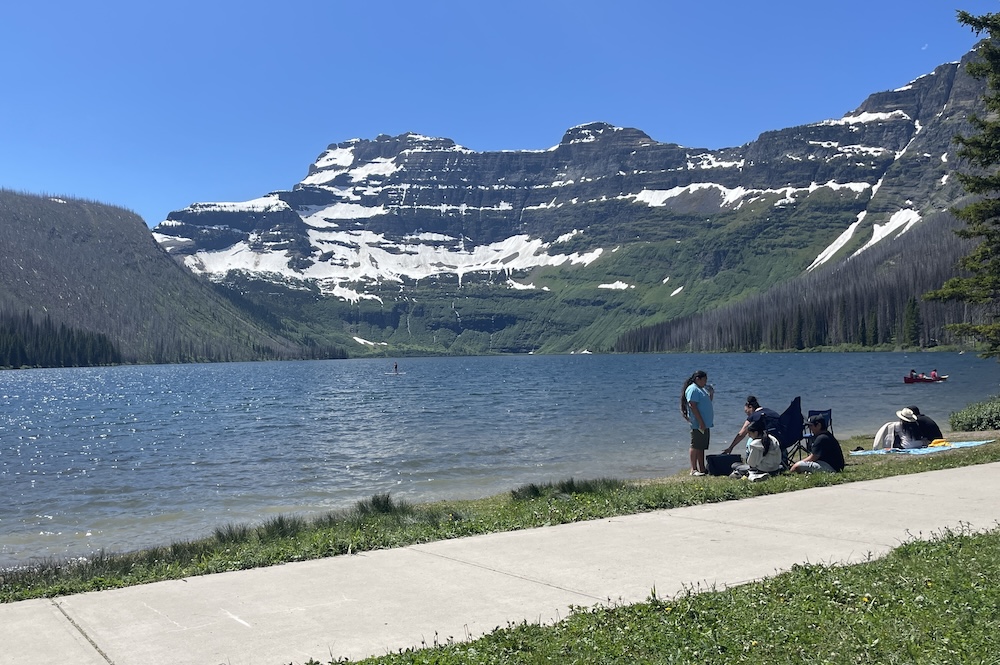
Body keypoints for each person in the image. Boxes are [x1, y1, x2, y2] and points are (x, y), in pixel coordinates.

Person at [680, 370, 714, 476]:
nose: (705, 382)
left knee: (701, 446)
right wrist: (700, 421)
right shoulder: (693, 389)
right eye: (704, 380)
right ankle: (693, 469)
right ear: (697, 379)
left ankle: (702, 468)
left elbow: (706, 403)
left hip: (705, 423)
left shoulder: (701, 389)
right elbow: (692, 405)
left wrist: (711, 394)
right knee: (695, 445)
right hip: (698, 423)